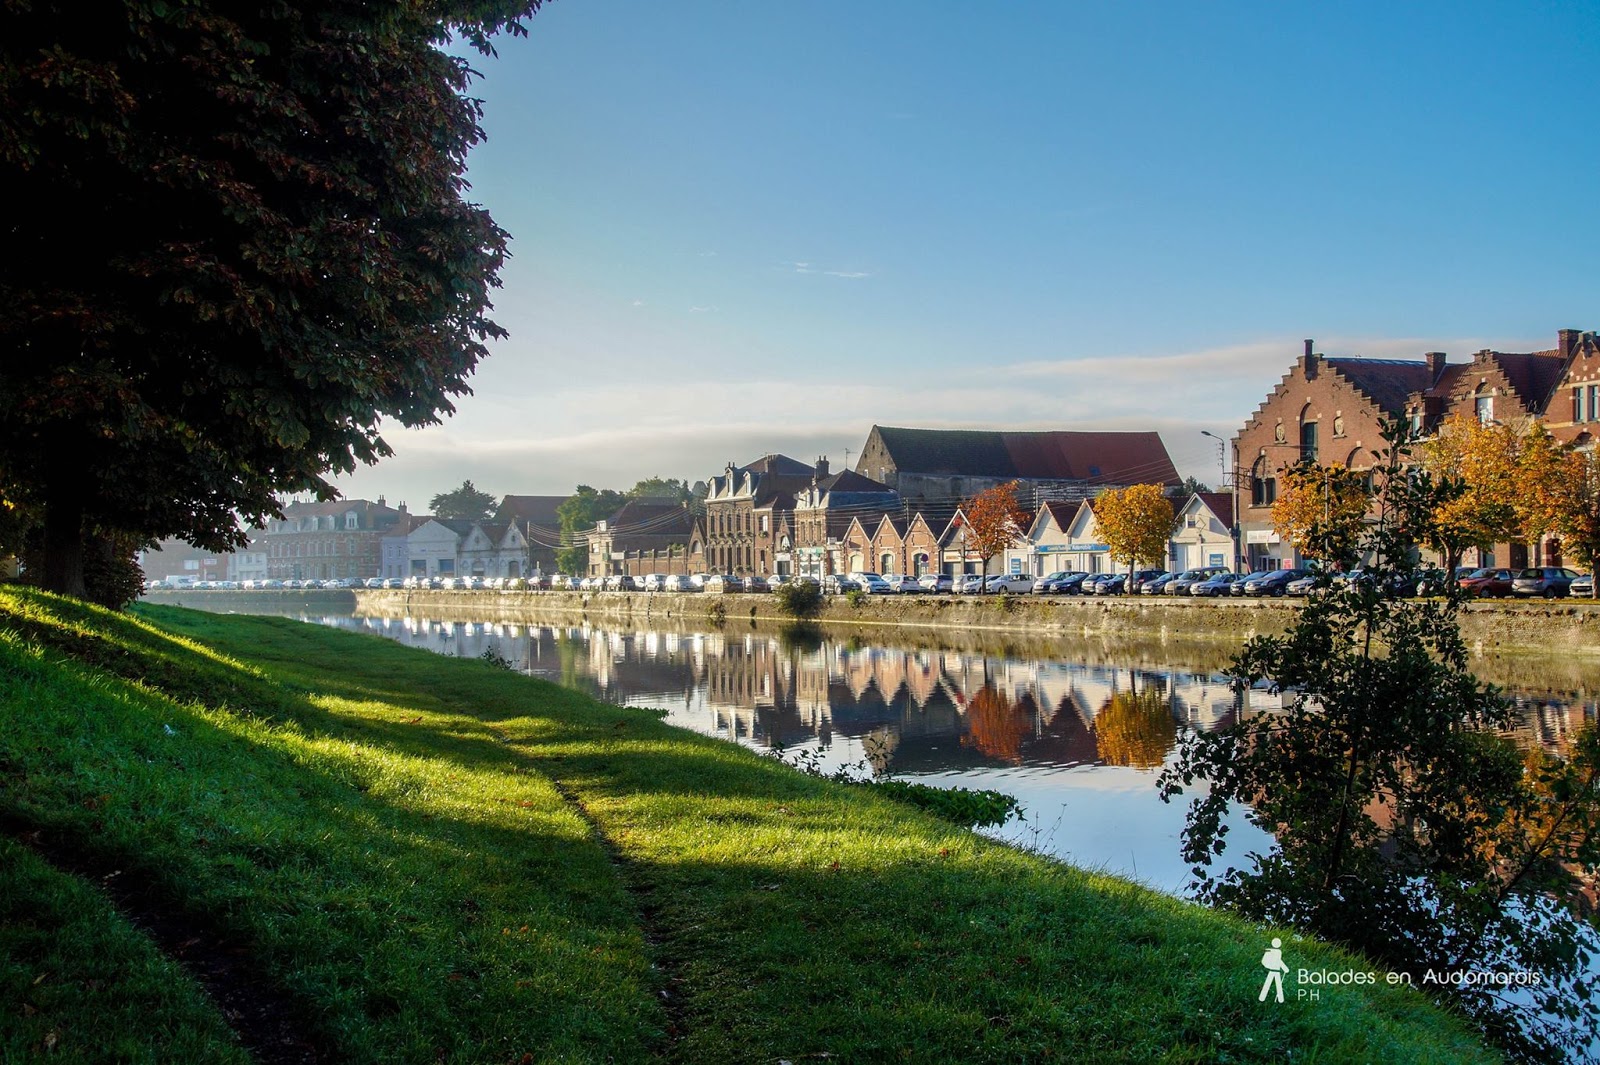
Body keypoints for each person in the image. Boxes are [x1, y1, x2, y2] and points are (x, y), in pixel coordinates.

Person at [1259, 937, 1289, 1003]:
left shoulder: (1269, 951)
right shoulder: (1278, 952)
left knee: (1268, 983)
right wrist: (1285, 968)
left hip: (1272, 970)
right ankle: (1280, 999)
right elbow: (1279, 961)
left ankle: (1262, 997)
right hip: (1276, 970)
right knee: (1278, 984)